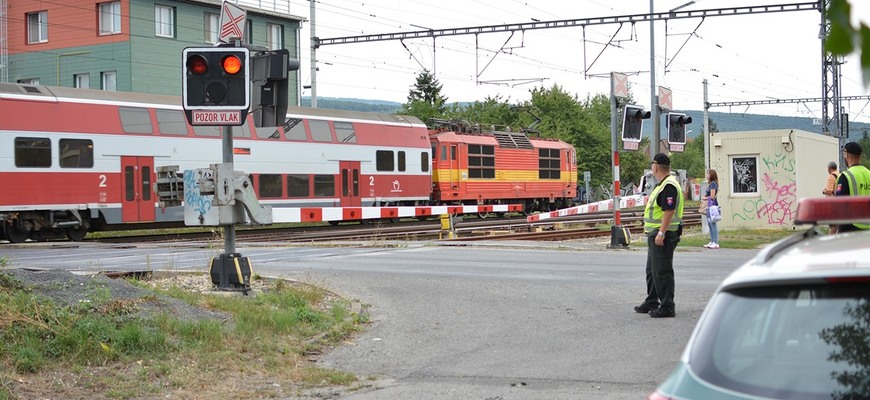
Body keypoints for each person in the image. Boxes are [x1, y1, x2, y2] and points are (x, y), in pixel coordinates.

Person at [634, 153, 684, 318]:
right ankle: (652, 301)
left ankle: (668, 305)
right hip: (656, 233)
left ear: (655, 167)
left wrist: (661, 233)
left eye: (652, 166)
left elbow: (669, 211)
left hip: (664, 234)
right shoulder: (662, 184)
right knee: (652, 270)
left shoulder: (668, 185)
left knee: (662, 270)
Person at [832, 142, 870, 233]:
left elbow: (839, 206)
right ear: (860, 156)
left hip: (850, 229)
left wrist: (832, 231)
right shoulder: (869, 173)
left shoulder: (846, 176)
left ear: (847, 155)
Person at [701, 169, 720, 249]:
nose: (707, 175)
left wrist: (705, 198)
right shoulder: (710, 184)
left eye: (708, 174)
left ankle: (715, 242)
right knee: (709, 223)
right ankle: (712, 241)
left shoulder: (713, 184)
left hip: (712, 206)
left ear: (712, 175)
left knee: (713, 223)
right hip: (709, 206)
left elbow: (712, 196)